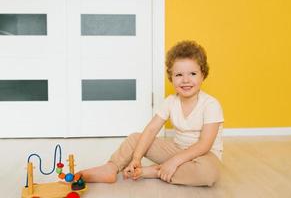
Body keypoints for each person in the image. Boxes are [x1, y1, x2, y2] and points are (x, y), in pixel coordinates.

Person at [79, 40, 224, 186]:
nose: (186, 80)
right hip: (178, 150)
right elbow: (151, 130)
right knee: (136, 138)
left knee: (207, 174)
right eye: (179, 75)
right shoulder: (171, 101)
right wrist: (136, 158)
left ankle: (154, 172)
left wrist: (174, 162)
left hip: (204, 156)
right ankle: (111, 167)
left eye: (192, 74)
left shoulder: (210, 105)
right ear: (171, 78)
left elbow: (204, 145)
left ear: (203, 75)